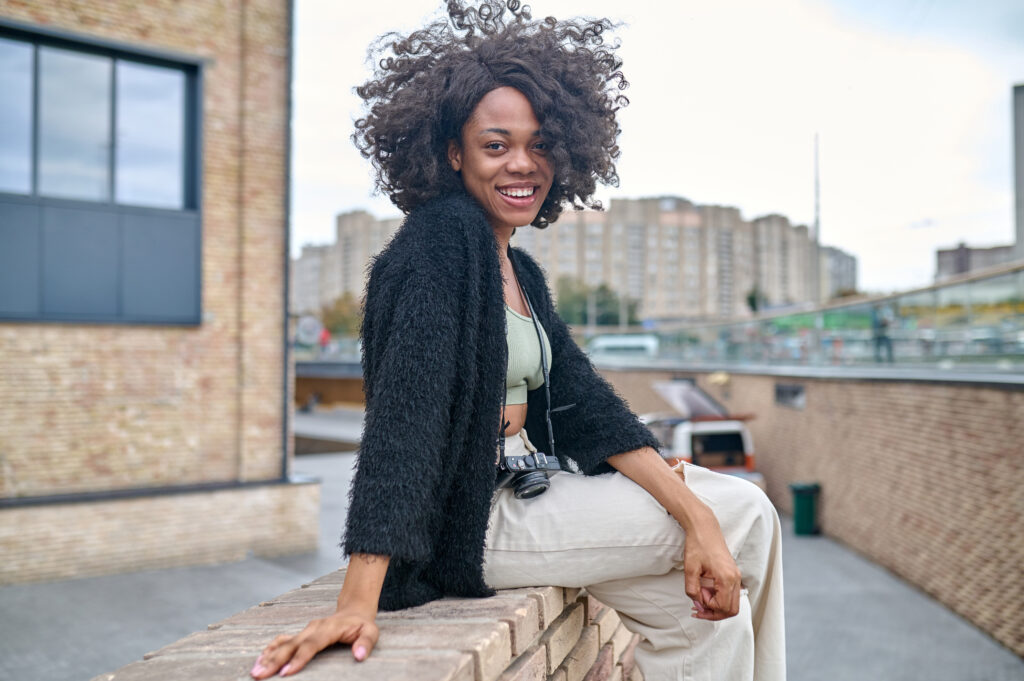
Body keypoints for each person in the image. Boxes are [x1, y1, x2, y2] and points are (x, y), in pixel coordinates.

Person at [251, 2, 784, 679]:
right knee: (749, 511)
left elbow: (586, 406)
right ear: (452, 153)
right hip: (478, 519)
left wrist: (690, 511)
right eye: (496, 145)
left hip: (535, 488)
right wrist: (359, 598)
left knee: (706, 611)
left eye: (538, 145)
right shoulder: (441, 243)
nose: (521, 165)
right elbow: (403, 423)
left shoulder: (519, 268)